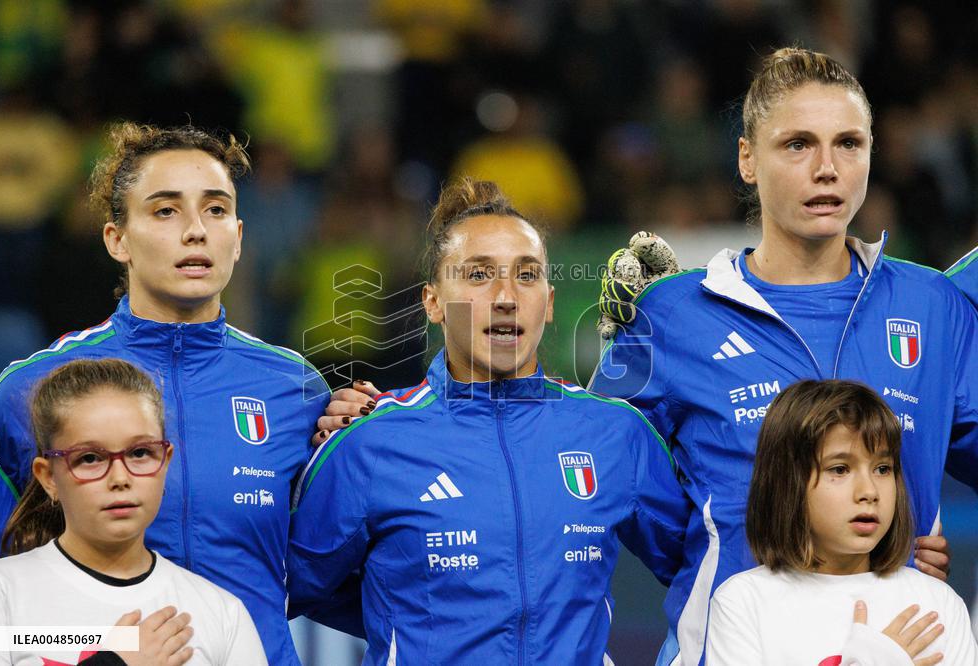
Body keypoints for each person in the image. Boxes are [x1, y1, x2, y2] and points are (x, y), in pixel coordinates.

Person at [590, 48, 978, 665]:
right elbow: (594, 483)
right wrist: (723, 546)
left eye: (849, 144)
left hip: (901, 649)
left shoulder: (934, 306)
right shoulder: (669, 315)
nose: (827, 168)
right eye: (797, 144)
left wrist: (901, 546)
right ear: (747, 158)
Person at [286, 178, 688, 664]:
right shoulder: (368, 441)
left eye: (527, 274)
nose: (505, 296)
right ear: (432, 302)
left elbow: (707, 561)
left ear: (551, 301)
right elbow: (286, 588)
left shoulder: (613, 432)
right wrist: (398, 614)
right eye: (478, 275)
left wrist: (688, 339)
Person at [0, 123, 332, 665]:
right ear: (116, 239)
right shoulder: (33, 387)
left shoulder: (296, 390)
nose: (196, 231)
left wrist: (364, 430)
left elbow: (328, 567)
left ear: (238, 236)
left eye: (215, 210)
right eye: (166, 211)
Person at [0, 358, 266, 665]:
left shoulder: (221, 612)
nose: (119, 478)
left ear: (165, 461)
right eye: (90, 458)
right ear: (48, 477)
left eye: (140, 453)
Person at [705, 380, 977, 665]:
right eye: (840, 469)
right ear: (787, 483)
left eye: (882, 469)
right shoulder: (742, 603)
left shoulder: (937, 603)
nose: (869, 491)